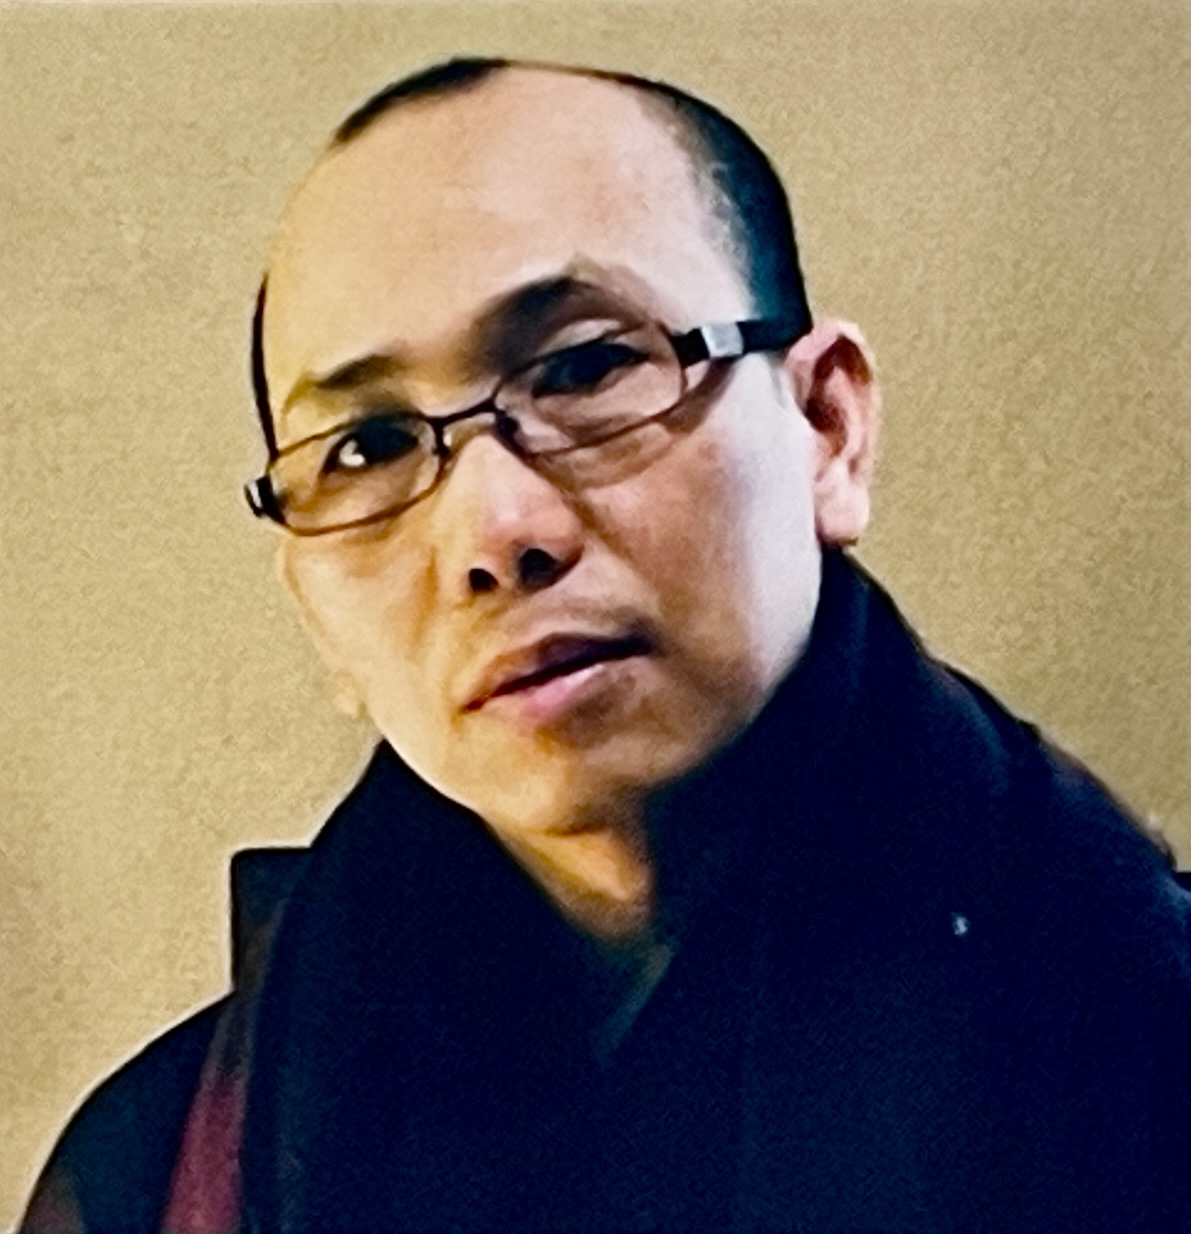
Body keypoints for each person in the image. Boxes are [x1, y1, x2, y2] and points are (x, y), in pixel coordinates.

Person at [22, 56, 1190, 1234]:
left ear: (826, 428)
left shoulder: (1139, 1024)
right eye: (368, 447)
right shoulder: (157, 1173)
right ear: (315, 609)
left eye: (585, 367)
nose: (495, 532)